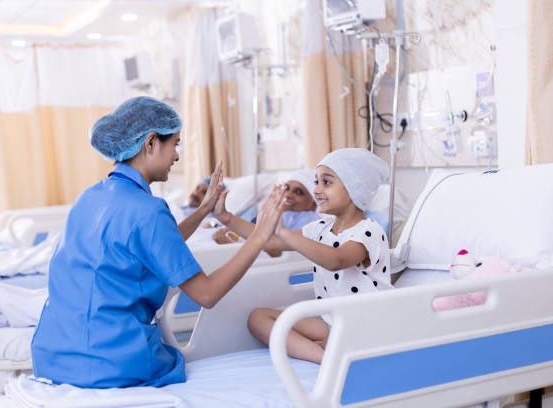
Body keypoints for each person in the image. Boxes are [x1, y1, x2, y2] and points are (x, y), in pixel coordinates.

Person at [30, 96, 286, 389]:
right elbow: (207, 294)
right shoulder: (148, 210)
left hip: (53, 357)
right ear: (150, 143)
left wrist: (203, 210)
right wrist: (260, 236)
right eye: (175, 144)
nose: (177, 155)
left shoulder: (91, 197)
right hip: (110, 364)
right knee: (173, 360)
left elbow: (153, 245)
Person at [212, 148, 392, 364]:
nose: (316, 189)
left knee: (282, 322)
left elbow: (337, 260)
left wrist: (283, 232)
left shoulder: (368, 231)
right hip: (332, 322)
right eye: (316, 181)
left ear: (355, 188)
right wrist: (225, 217)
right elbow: (266, 240)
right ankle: (324, 356)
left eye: (326, 182)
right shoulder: (321, 228)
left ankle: (327, 353)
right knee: (257, 318)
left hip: (365, 325)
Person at [212, 169, 320, 244]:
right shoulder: (274, 213)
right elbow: (255, 230)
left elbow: (281, 251)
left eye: (298, 192)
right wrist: (234, 231)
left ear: (313, 204)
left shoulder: (310, 221)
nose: (288, 194)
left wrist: (236, 243)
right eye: (286, 188)